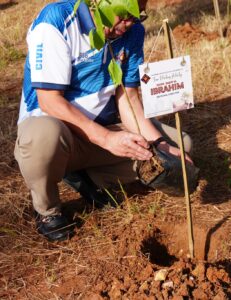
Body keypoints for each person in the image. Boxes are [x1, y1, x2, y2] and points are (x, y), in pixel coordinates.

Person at [14, 0, 193, 242]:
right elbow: (49, 102)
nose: (129, 23)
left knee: (180, 148)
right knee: (42, 138)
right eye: (124, 14)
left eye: (137, 16)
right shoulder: (56, 20)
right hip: (57, 134)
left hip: (101, 132)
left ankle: (89, 177)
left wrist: (159, 144)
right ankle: (47, 210)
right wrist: (106, 139)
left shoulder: (133, 32)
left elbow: (127, 97)